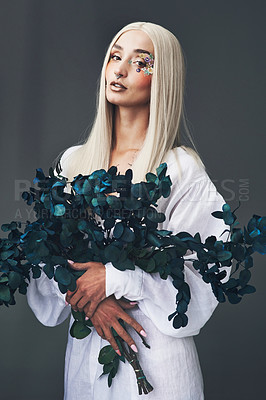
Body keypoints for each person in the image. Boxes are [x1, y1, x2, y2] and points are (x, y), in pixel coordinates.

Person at [27, 21, 228, 399]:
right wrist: (91, 299)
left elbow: (202, 275)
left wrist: (117, 279)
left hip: (159, 364)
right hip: (87, 365)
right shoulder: (73, 165)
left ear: (162, 79)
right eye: (115, 57)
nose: (119, 70)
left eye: (140, 63)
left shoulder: (180, 169)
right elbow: (45, 262)